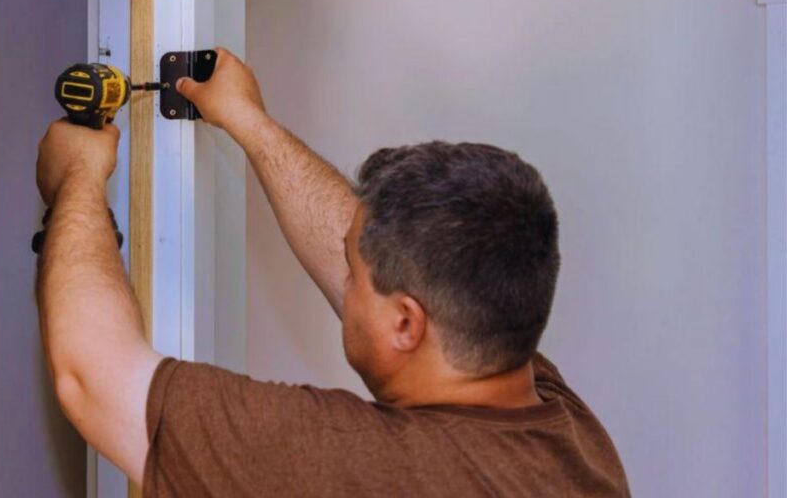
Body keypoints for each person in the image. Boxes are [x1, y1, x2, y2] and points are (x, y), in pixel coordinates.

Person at [35, 48, 630, 497]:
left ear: (405, 322)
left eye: (353, 275)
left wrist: (76, 184)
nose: (345, 284)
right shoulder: (566, 436)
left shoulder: (364, 467)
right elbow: (374, 247)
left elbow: (91, 375)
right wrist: (249, 122)